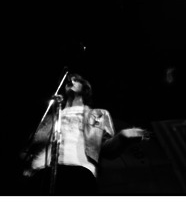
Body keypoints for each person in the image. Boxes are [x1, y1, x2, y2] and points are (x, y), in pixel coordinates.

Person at [20, 73, 148, 195]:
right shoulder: (51, 116)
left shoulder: (98, 114)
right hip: (42, 172)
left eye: (76, 80)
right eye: (69, 81)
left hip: (80, 173)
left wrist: (122, 137)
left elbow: (107, 149)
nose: (71, 82)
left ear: (85, 87)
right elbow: (30, 147)